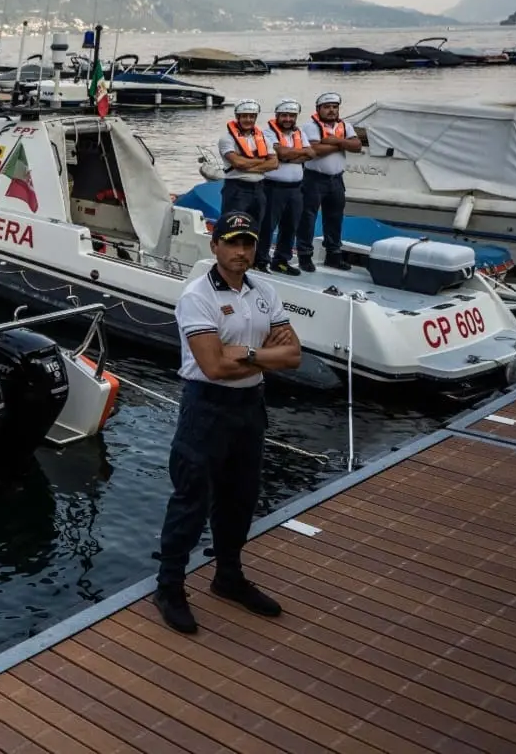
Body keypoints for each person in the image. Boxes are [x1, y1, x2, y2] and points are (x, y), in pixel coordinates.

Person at [153, 211, 302, 635]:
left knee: (241, 497)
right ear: (214, 246)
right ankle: (169, 587)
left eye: (248, 244)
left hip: (250, 406)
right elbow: (214, 366)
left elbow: (294, 357)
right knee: (191, 499)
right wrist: (259, 358)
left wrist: (250, 355)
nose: (241, 252)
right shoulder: (197, 297)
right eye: (233, 243)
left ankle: (228, 576)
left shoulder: (264, 291)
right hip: (207, 407)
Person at [298, 91, 361, 272]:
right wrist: (342, 144)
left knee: (335, 218)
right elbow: (315, 149)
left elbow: (357, 146)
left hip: (336, 180)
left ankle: (333, 255)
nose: (332, 110)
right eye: (327, 107)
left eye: (335, 107)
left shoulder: (345, 125)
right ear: (319, 109)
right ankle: (304, 255)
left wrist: (333, 141)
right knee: (307, 218)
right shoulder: (310, 127)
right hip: (314, 179)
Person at [256, 99, 317, 275]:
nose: (288, 119)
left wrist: (288, 157)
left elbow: (311, 154)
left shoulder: (299, 133)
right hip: (273, 187)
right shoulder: (267, 134)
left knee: (291, 226)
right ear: (277, 116)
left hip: (296, 188)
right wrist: (293, 154)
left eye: (291, 115)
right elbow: (281, 153)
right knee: (267, 226)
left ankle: (281, 261)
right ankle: (260, 260)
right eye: (284, 115)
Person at [217, 100, 278, 229]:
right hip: (237, 189)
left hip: (259, 189)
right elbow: (237, 163)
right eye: (244, 116)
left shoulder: (263, 139)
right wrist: (261, 161)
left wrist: (247, 165)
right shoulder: (227, 139)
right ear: (237, 117)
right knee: (232, 227)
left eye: (252, 116)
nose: (248, 120)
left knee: (256, 228)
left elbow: (274, 163)